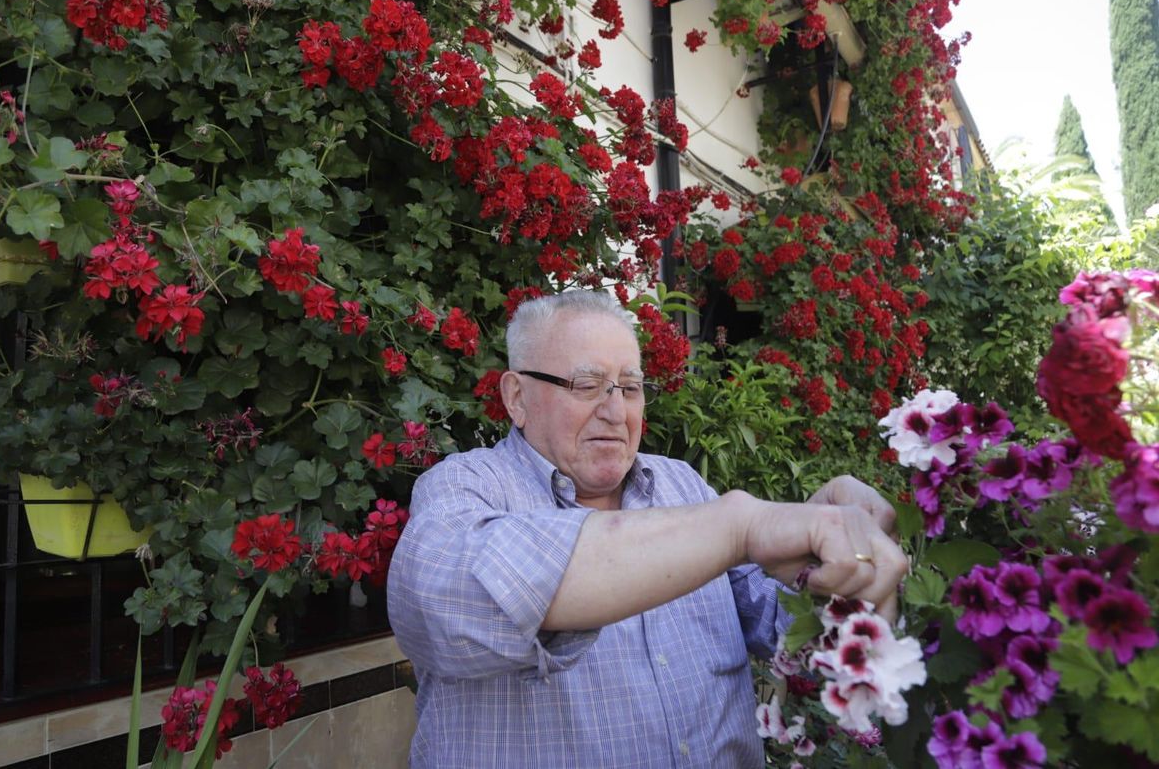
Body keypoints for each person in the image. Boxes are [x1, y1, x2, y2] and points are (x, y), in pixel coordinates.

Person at [387, 290, 908, 768]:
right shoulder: (465, 488)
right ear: (517, 397)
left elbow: (787, 625)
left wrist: (844, 567)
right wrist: (737, 526)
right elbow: (448, 603)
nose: (615, 411)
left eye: (631, 388)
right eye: (587, 385)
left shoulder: (682, 487)